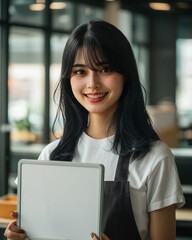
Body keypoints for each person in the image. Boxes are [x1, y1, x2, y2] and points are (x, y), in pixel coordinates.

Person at [5, 19, 185, 240]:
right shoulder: (50, 156)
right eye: (80, 71)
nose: (92, 83)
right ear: (68, 79)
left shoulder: (155, 157)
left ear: (125, 74)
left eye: (105, 69)